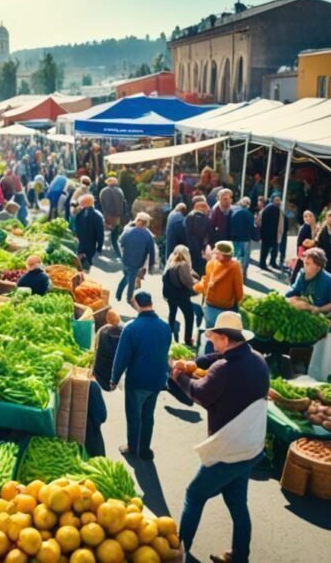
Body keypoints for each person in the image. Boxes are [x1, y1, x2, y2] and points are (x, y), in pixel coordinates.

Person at [172, 312, 269, 563]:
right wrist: (196, 362)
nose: (213, 343)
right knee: (238, 503)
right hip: (251, 444)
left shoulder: (223, 370)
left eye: (215, 338)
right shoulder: (258, 360)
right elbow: (218, 359)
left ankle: (179, 553)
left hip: (228, 448)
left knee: (194, 494)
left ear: (225, 339)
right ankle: (240, 557)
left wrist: (180, 376)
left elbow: (200, 394)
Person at [110, 290, 171, 459]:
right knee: (148, 415)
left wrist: (114, 379)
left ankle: (132, 446)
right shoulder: (165, 326)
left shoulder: (131, 327)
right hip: (157, 380)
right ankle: (144, 449)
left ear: (136, 303)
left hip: (138, 380)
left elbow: (122, 357)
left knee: (134, 415)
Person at [195, 241, 244, 352]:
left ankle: (207, 362)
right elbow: (239, 292)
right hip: (226, 310)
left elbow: (206, 284)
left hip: (209, 307)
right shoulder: (235, 267)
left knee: (211, 336)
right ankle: (221, 363)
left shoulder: (211, 264)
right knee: (225, 339)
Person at [285, 247, 331, 314]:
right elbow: (292, 292)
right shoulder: (302, 274)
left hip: (321, 314)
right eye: (304, 263)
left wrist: (319, 309)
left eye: (307, 264)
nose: (304, 266)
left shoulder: (329, 280)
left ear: (317, 267)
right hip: (305, 311)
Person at [163, 245, 199, 347]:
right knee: (189, 316)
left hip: (170, 294)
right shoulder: (183, 265)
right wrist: (199, 284)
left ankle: (168, 336)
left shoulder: (171, 261)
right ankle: (188, 339)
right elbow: (189, 282)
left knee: (172, 314)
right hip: (181, 295)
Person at [117, 212, 155, 303]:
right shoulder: (148, 236)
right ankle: (129, 298)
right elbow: (151, 252)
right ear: (146, 223)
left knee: (126, 276)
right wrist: (150, 266)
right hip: (137, 262)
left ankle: (118, 294)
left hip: (125, 259)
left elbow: (121, 243)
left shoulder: (128, 231)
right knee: (131, 280)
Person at [92, 310, 123, 390]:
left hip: (99, 370)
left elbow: (96, 347)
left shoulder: (102, 331)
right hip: (111, 371)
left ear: (107, 320)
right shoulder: (124, 332)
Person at [74, 193, 105, 272]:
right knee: (82, 266)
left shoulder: (84, 214)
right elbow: (100, 233)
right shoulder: (96, 215)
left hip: (85, 244)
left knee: (82, 266)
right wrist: (99, 246)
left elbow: (100, 233)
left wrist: (99, 247)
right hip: (87, 244)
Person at [99, 176, 127, 257]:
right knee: (115, 231)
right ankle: (116, 248)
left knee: (109, 229)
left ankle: (113, 248)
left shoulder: (103, 191)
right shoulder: (120, 191)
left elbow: (102, 204)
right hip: (118, 214)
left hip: (108, 214)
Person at [229, 197, 257, 275]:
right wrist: (256, 237)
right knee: (244, 257)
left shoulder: (232, 211)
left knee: (235, 255)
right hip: (245, 238)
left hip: (234, 237)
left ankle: (233, 273)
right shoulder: (248, 214)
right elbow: (252, 227)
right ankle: (242, 273)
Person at [258, 194, 285, 272]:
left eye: (279, 200)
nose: (278, 201)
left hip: (274, 233)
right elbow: (263, 222)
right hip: (268, 234)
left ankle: (272, 263)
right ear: (272, 200)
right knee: (265, 250)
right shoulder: (269, 208)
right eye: (276, 200)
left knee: (274, 250)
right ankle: (262, 264)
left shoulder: (277, 208)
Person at [291, 209, 319, 281]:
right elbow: (303, 242)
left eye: (310, 216)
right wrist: (314, 242)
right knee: (301, 269)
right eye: (305, 216)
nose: (307, 218)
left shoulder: (314, 227)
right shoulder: (305, 227)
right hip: (304, 252)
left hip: (308, 252)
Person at [185, 197, 211, 275]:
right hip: (200, 247)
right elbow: (207, 234)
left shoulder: (189, 217)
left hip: (190, 245)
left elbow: (187, 232)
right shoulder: (207, 219)